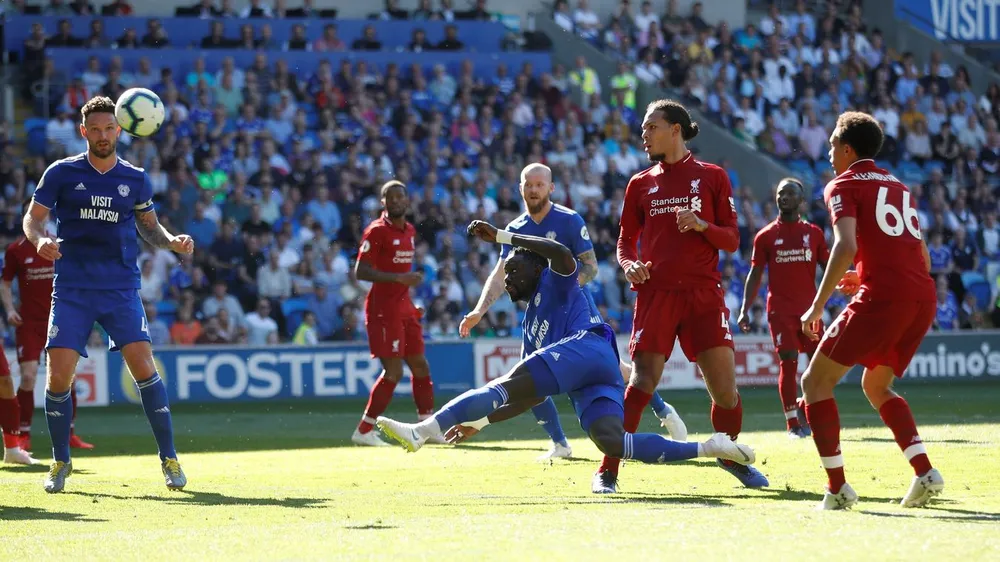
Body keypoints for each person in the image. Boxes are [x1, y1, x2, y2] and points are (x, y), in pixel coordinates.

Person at [376, 222, 757, 484]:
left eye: (513, 268)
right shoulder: (530, 328)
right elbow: (528, 393)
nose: (506, 277)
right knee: (612, 441)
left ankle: (422, 430)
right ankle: (709, 447)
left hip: (589, 347)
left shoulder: (555, 278)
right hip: (594, 375)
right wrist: (481, 424)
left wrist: (503, 237)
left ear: (534, 265)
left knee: (507, 384)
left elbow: (559, 250)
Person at [459, 163, 686, 461]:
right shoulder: (513, 229)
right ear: (520, 189)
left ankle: (662, 410)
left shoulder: (568, 220)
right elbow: (501, 274)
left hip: (575, 307)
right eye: (528, 184)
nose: (534, 189)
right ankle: (560, 443)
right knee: (529, 370)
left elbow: (590, 266)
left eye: (540, 184)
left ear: (551, 188)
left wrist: (558, 290)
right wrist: (479, 310)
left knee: (615, 367)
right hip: (540, 315)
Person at [23, 96, 194, 493]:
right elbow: (33, 218)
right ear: (83, 132)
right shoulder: (61, 173)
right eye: (95, 130)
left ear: (119, 129)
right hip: (72, 289)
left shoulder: (135, 177)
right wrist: (38, 242)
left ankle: (169, 459)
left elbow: (148, 227)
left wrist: (172, 242)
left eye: (109, 129)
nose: (102, 136)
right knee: (59, 374)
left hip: (120, 288)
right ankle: (60, 461)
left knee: (144, 367)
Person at [607, 99, 769, 494]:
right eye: (644, 130)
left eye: (651, 127)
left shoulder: (713, 177)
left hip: (703, 295)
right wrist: (629, 265)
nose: (644, 135)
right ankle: (607, 470)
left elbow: (731, 240)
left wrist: (701, 225)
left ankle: (731, 457)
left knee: (725, 391)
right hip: (656, 295)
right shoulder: (640, 183)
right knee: (642, 382)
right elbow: (625, 243)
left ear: (675, 129)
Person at [799, 111, 943, 510]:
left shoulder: (841, 185)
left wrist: (816, 304)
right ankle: (925, 472)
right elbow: (921, 256)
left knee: (814, 384)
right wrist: (865, 277)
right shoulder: (898, 186)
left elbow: (844, 247)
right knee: (876, 385)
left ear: (847, 149)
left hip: (885, 297)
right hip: (921, 295)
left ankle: (838, 488)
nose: (828, 152)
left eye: (831, 145)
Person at [738, 179, 829, 438]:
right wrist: (745, 308)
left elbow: (828, 267)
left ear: (801, 200)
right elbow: (755, 274)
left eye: (790, 194)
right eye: (781, 193)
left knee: (818, 367)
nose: (784, 197)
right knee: (788, 363)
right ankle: (793, 424)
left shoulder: (814, 234)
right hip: (780, 310)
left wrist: (834, 291)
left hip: (810, 310)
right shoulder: (765, 236)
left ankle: (804, 405)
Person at [351, 180, 438, 447]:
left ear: (407, 201)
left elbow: (402, 276)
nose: (398, 201)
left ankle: (427, 427)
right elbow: (361, 271)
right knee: (393, 372)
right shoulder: (376, 231)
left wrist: (410, 304)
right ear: (383, 202)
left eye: (402, 197)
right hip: (382, 311)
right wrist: (400, 280)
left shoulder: (410, 230)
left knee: (421, 365)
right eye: (392, 197)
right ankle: (364, 430)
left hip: (403, 308)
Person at [2, 210, 95, 454]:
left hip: (60, 319)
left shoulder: (58, 244)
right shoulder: (16, 251)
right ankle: (23, 435)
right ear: (27, 220)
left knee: (67, 376)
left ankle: (71, 433)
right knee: (29, 376)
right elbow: (5, 283)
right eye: (35, 216)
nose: (40, 221)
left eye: (43, 216)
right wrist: (10, 309)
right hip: (29, 323)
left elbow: (77, 272)